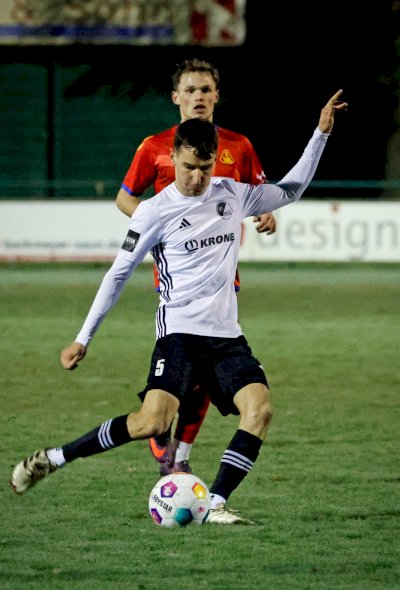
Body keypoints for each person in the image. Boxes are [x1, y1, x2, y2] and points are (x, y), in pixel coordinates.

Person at [10, 90, 347, 525]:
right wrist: (83, 338)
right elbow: (117, 274)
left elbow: (291, 189)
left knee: (259, 409)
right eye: (189, 168)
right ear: (173, 158)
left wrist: (320, 133)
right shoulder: (153, 211)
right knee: (151, 423)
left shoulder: (231, 193)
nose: (197, 178)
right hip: (180, 335)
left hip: (227, 337)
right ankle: (54, 457)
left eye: (205, 168)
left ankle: (216, 504)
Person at [116, 58, 277, 475]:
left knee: (209, 374)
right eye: (190, 90)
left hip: (223, 275)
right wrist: (156, 228)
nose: (198, 97)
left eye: (206, 89)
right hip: (178, 277)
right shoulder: (153, 146)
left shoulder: (238, 146)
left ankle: (179, 455)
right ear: (176, 98)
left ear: (217, 96)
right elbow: (126, 198)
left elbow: (260, 194)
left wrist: (266, 215)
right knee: (188, 362)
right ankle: (159, 421)